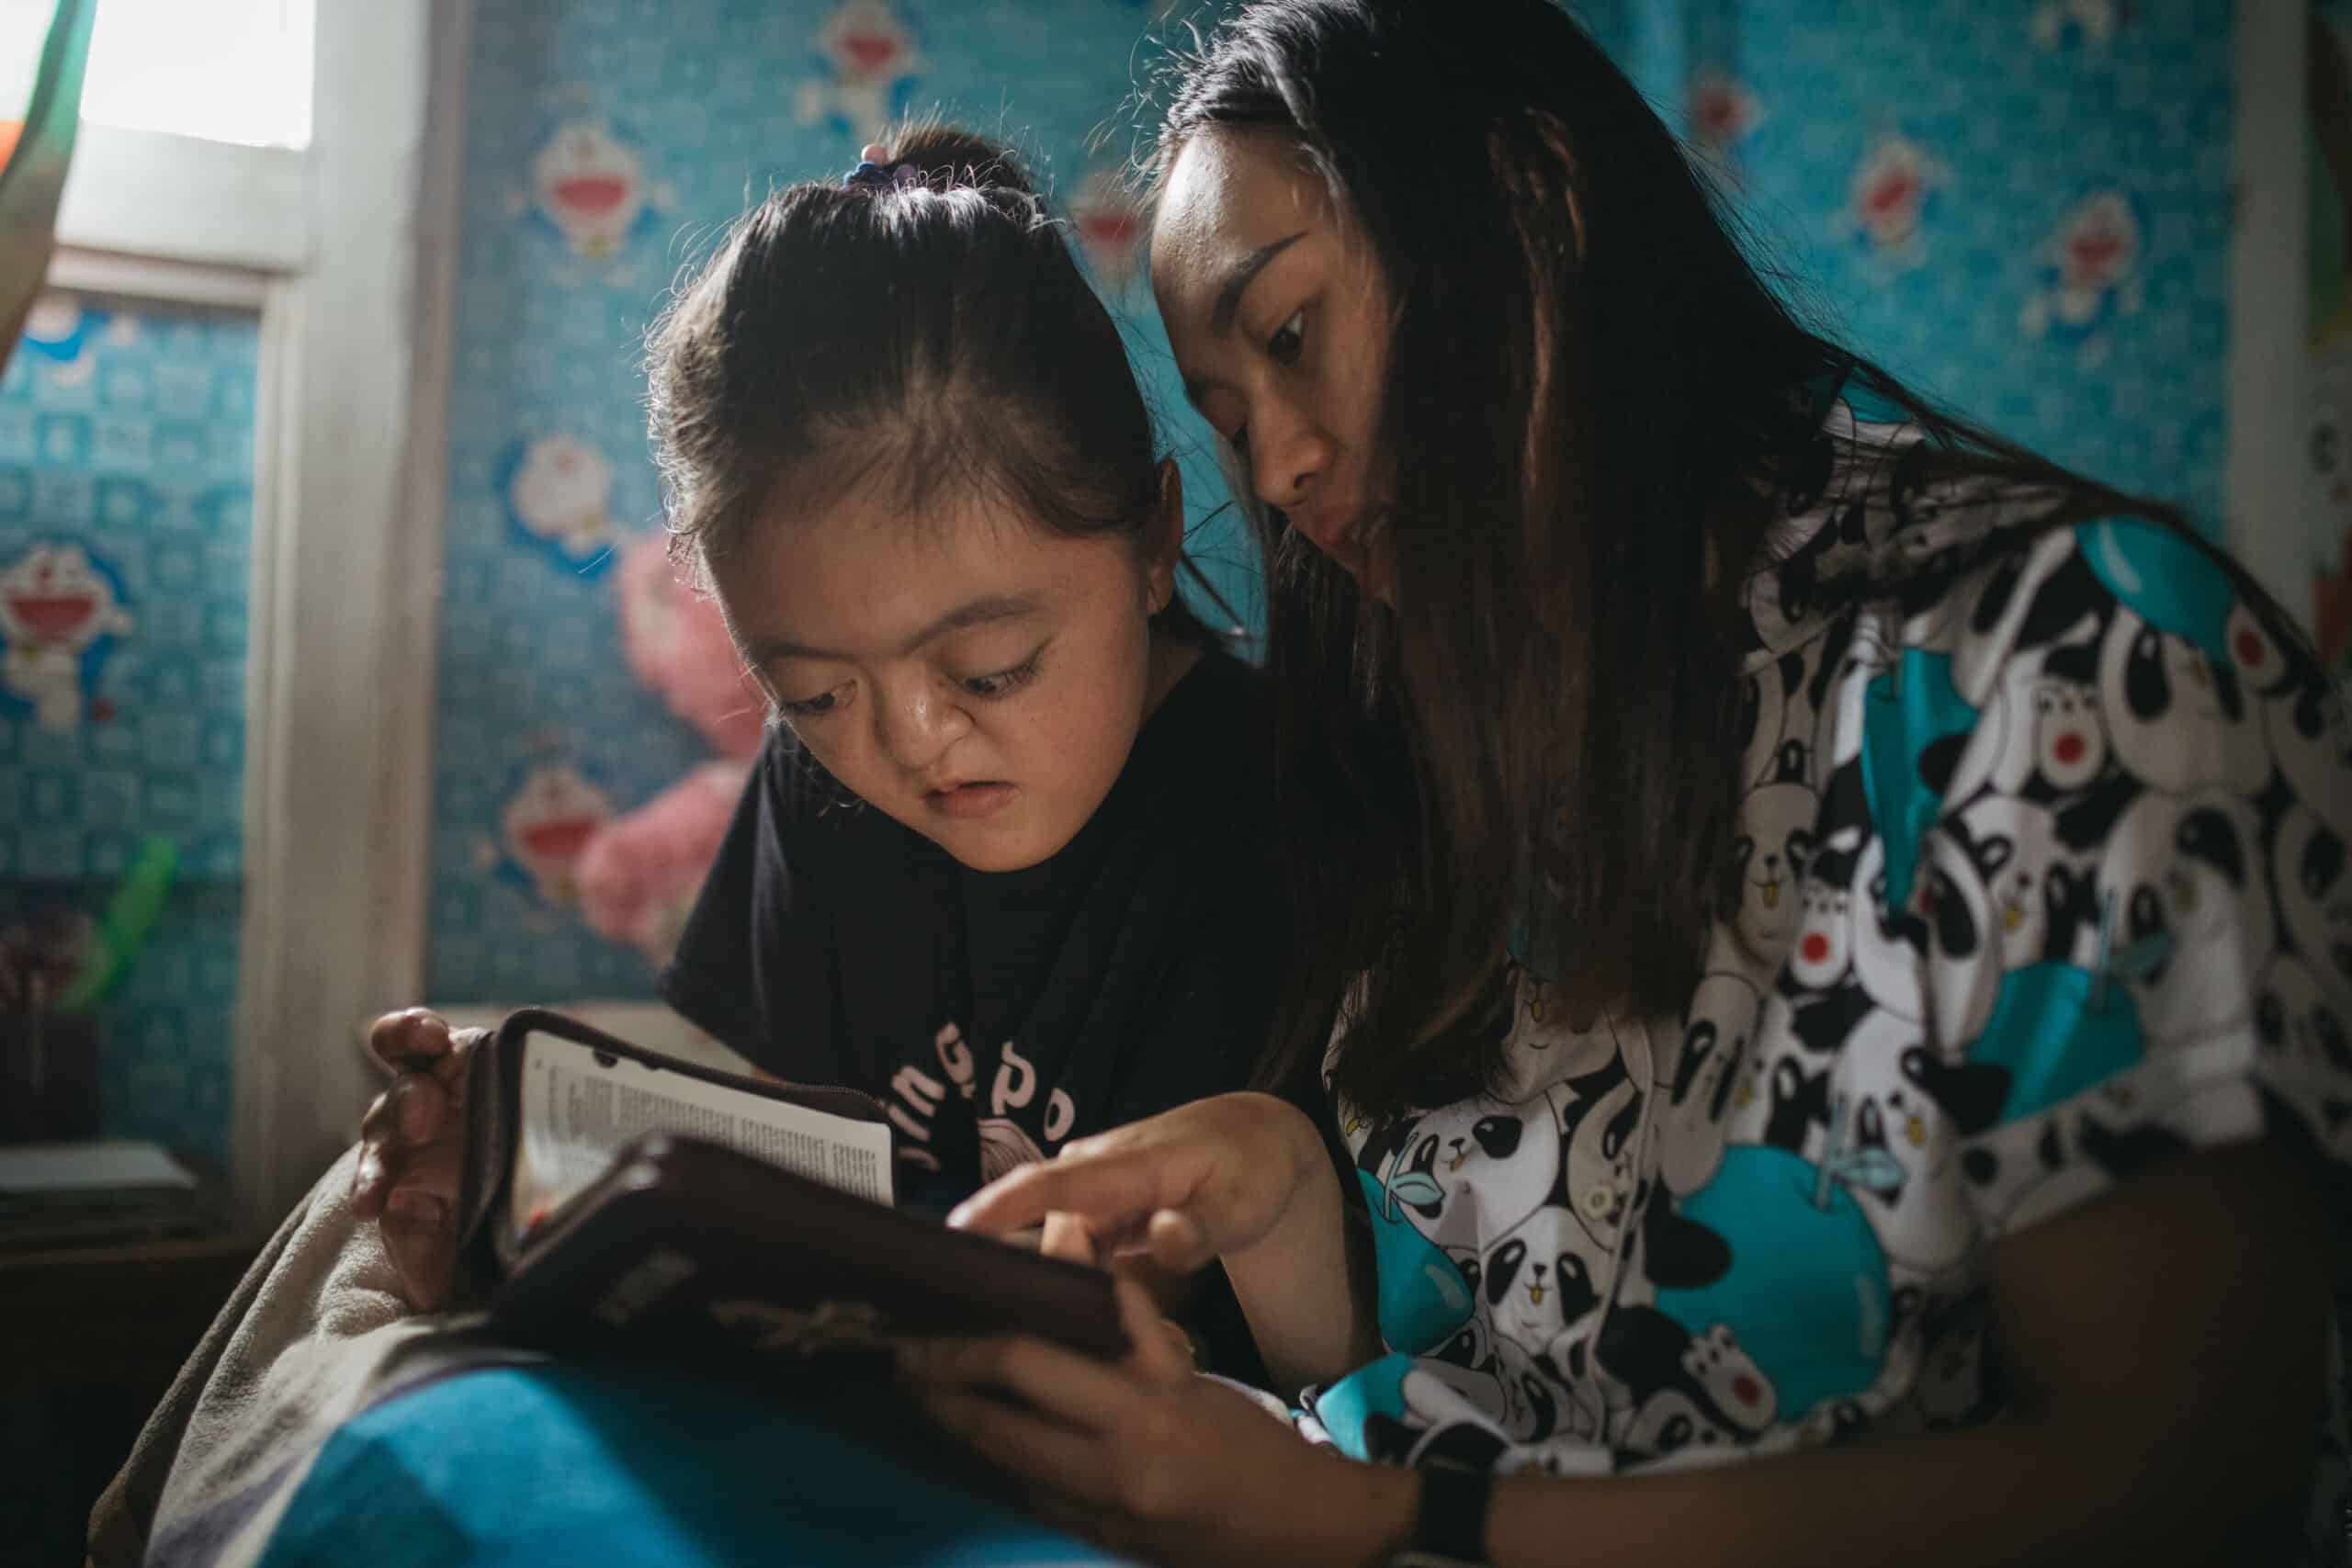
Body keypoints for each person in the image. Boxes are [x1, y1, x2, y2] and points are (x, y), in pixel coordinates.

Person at [900, 5, 2352, 1564]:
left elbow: (2183, 1482)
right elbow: (1489, 1391)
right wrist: (1270, 1196)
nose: (1277, 471)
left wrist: (1387, 1520)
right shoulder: (1460, 747)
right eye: (1231, 419)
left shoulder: (2062, 659)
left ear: (1539, 200)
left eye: (1294, 336)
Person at [353, 128, 1291, 1371]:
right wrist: (521, 1204)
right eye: (812, 693)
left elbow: (1250, 1319)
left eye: (990, 669)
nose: (909, 744)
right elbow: (804, 1166)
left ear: (1154, 541)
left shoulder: (1277, 816)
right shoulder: (821, 793)